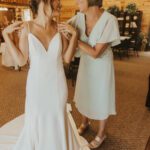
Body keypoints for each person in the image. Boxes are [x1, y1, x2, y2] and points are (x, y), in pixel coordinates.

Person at [2, 0, 78, 149]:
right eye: (57, 2)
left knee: (57, 116)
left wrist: (74, 35)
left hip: (58, 85)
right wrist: (5, 35)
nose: (60, 5)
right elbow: (21, 60)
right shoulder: (28, 27)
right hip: (37, 86)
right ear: (44, 2)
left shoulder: (59, 26)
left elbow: (67, 58)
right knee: (37, 117)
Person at [59, 0, 120, 149]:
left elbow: (96, 53)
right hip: (85, 64)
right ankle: (85, 122)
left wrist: (75, 37)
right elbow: (61, 27)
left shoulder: (109, 20)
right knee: (85, 92)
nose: (77, 2)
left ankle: (101, 133)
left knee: (101, 96)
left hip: (102, 65)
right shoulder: (78, 17)